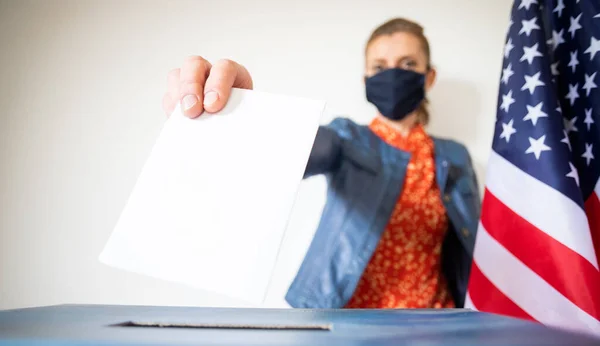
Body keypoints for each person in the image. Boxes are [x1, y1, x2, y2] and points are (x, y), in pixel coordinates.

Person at [161, 18, 481, 309]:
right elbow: (297, 151)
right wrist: (245, 115)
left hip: (437, 323)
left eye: (407, 63)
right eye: (380, 67)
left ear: (429, 76)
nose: (393, 74)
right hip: (350, 324)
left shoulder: (455, 156)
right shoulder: (347, 138)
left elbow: (476, 245)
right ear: (366, 79)